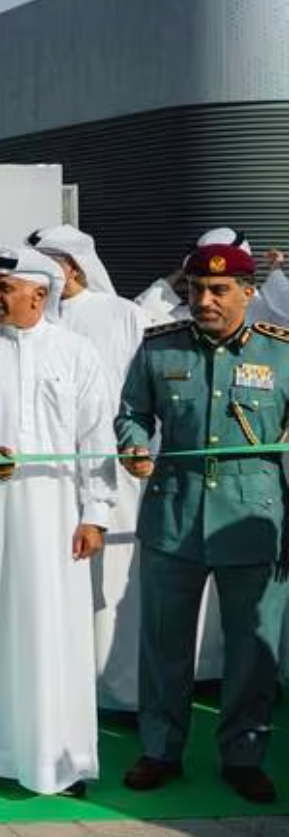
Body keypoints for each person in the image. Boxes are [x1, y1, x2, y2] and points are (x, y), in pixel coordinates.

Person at [0, 247, 115, 797]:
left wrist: (96, 514)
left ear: (39, 294)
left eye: (4, 288)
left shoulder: (77, 354)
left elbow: (96, 440)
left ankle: (61, 757)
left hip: (56, 518)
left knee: (53, 631)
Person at [114, 241, 287, 805]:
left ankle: (244, 754)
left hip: (252, 520)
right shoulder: (160, 349)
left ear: (248, 293)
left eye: (219, 291)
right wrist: (134, 446)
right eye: (195, 290)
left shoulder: (281, 353)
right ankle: (160, 748)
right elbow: (132, 412)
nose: (205, 301)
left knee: (250, 648)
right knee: (164, 642)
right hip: (173, 518)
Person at [30, 225, 151, 712]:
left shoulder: (126, 316)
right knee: (56, 580)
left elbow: (147, 392)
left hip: (114, 471)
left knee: (115, 583)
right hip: (52, 475)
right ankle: (61, 691)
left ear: (73, 267)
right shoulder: (37, 319)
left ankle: (118, 693)